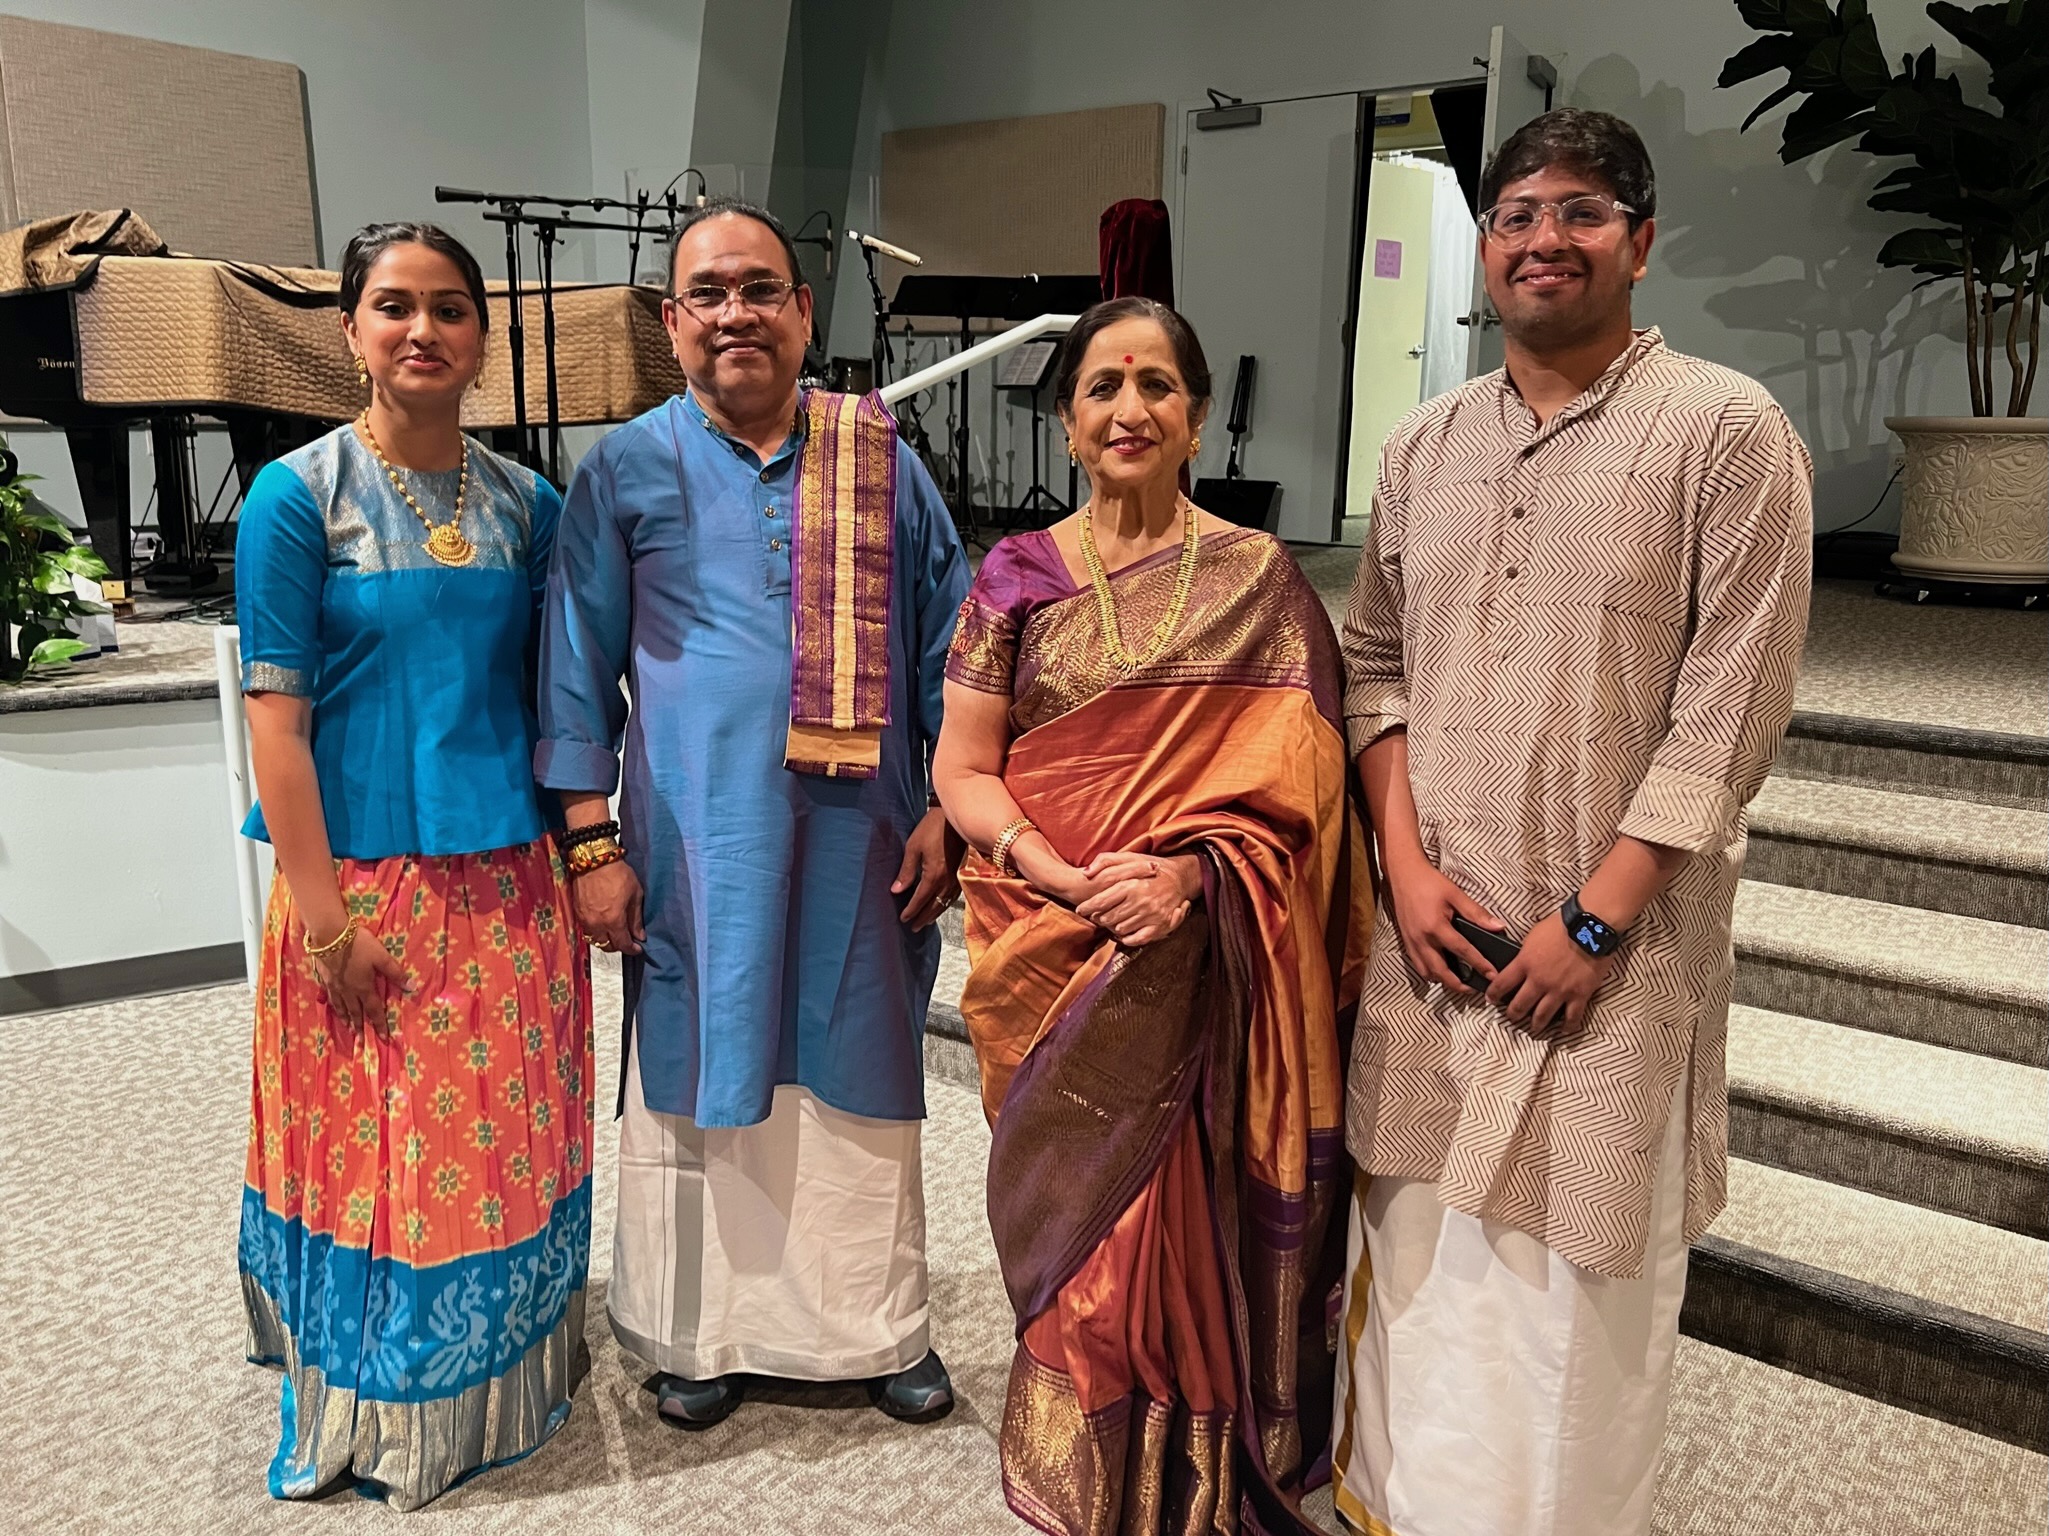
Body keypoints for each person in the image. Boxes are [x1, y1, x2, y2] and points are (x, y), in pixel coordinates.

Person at [1330, 109, 1814, 1536]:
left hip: (1608, 964)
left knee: (1568, 1312)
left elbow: (1729, 712)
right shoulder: (1423, 445)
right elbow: (1373, 668)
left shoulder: (1727, 432)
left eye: (1582, 211)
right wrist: (1404, 873)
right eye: (1517, 215)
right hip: (1435, 950)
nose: (1546, 238)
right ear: (1486, 247)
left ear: (1640, 242)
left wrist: (1594, 923)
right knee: (1416, 1273)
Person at [933, 297, 1374, 1535]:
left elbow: (1311, 796)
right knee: (1089, 1243)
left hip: (1204, 960)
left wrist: (1194, 879)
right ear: (1068, 422)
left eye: (1157, 386)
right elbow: (963, 766)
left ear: (1199, 416)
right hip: (1054, 947)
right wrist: (1053, 872)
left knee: (1183, 1230)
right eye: (1102, 387)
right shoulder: (1016, 576)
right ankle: (1093, 1481)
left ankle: (1195, 1478)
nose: (1129, 409)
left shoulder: (1263, 583)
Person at [536, 198, 967, 1429]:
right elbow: (573, 667)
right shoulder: (623, 468)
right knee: (701, 1061)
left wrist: (950, 805)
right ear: (673, 321)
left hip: (862, 839)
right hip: (696, 844)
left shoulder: (877, 457)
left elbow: (954, 645)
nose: (737, 313)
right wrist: (591, 844)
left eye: (761, 289)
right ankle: (701, 1332)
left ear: (804, 311)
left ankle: (877, 1330)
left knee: (860, 1062)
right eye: (709, 293)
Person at [235, 223, 593, 1510]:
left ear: (484, 338)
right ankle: (381, 1405)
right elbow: (275, 725)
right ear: (351, 330)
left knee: (499, 1144)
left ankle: (509, 1371)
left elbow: (559, 697)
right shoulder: (297, 498)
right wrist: (324, 920)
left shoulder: (528, 503)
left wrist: (589, 849)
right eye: (394, 306)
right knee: (379, 1156)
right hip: (361, 886)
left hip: (509, 882)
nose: (422, 330)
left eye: (450, 308)